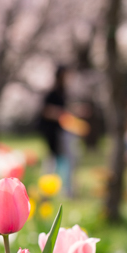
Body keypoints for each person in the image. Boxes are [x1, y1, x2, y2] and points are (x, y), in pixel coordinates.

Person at [38, 66, 72, 196]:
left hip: (62, 132)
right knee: (52, 160)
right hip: (52, 132)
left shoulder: (64, 92)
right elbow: (46, 111)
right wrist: (60, 114)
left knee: (63, 160)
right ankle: (47, 188)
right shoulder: (52, 93)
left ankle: (61, 188)